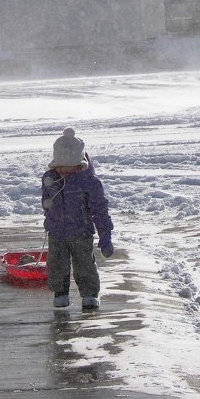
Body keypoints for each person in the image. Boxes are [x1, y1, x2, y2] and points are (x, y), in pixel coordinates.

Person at [41, 127, 114, 310]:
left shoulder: (90, 183)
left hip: (81, 232)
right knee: (57, 264)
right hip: (57, 232)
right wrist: (48, 218)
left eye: (69, 166)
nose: (64, 170)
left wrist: (105, 235)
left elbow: (100, 209)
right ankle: (60, 293)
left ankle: (89, 294)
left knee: (84, 264)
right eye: (60, 166)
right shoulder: (50, 179)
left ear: (79, 164)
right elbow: (46, 201)